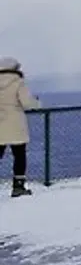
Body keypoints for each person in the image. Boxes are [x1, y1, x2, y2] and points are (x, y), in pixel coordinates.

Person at [0, 55, 41, 197]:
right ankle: (18, 187)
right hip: (15, 125)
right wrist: (36, 102)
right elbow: (27, 103)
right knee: (19, 156)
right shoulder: (18, 82)